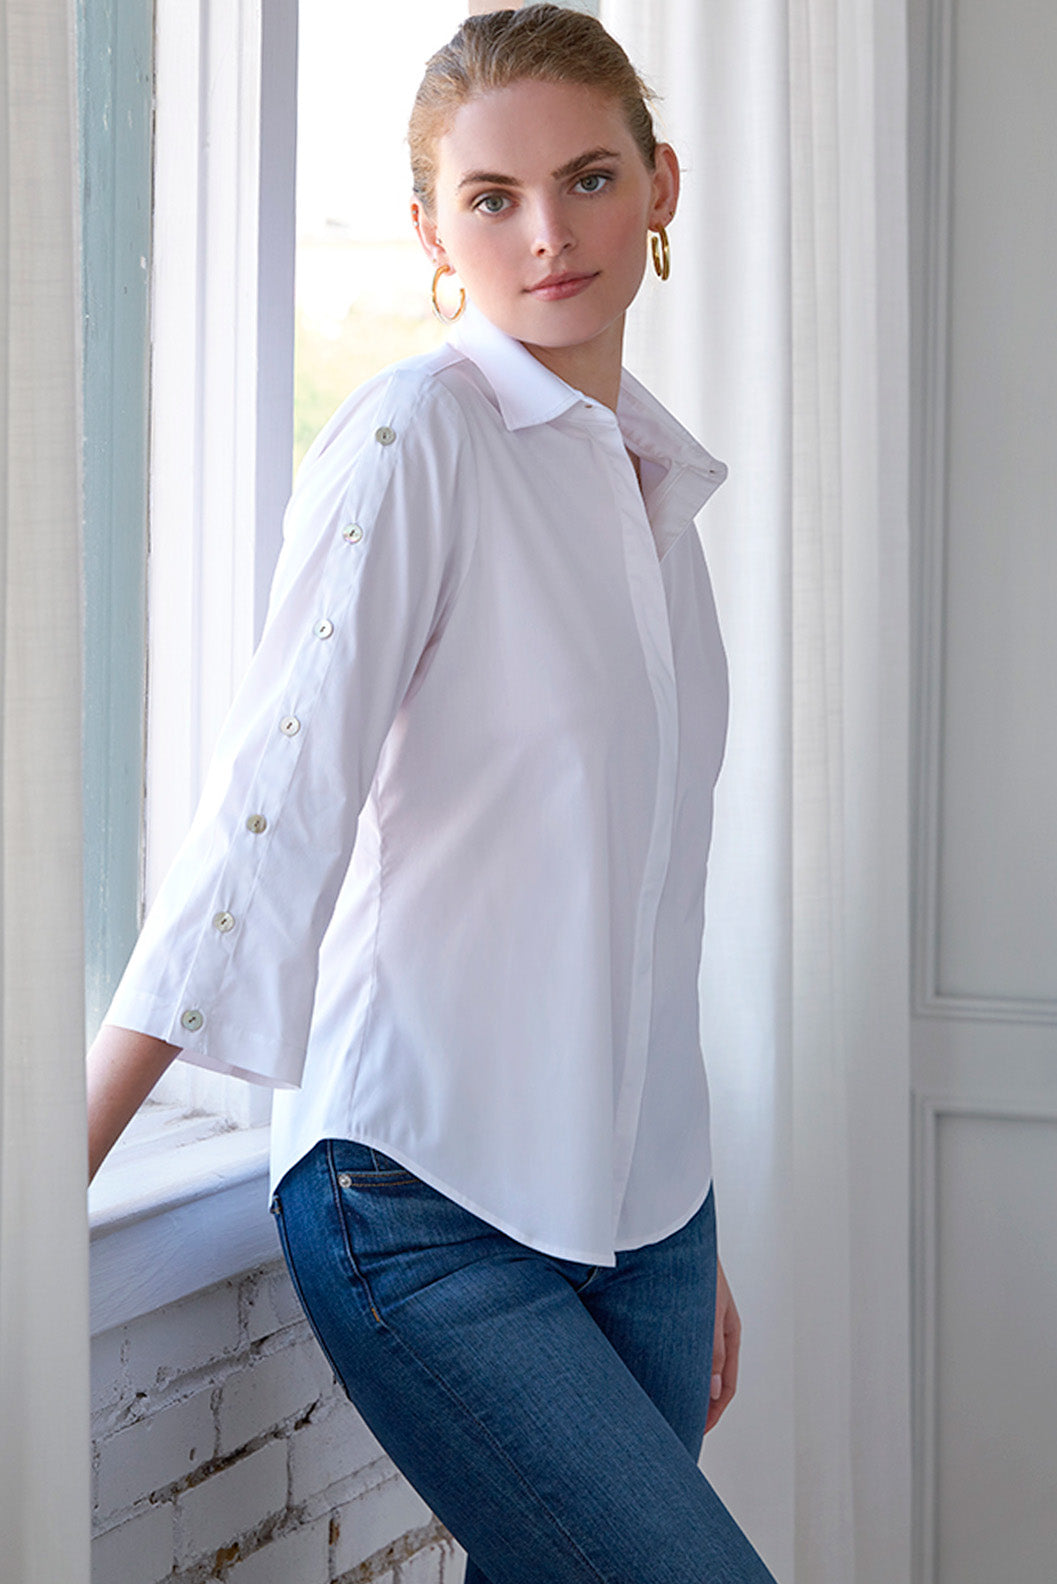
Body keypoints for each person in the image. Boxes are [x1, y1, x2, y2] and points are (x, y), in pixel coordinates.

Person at [87, 8, 778, 1581]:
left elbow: (648, 900)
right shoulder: (417, 439)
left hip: (642, 1218)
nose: (547, 233)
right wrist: (51, 1170)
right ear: (429, 228)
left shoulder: (650, 489)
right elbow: (268, 812)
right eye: (491, 196)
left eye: (589, 177)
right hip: (422, 1198)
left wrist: (681, 1202)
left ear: (659, 187)